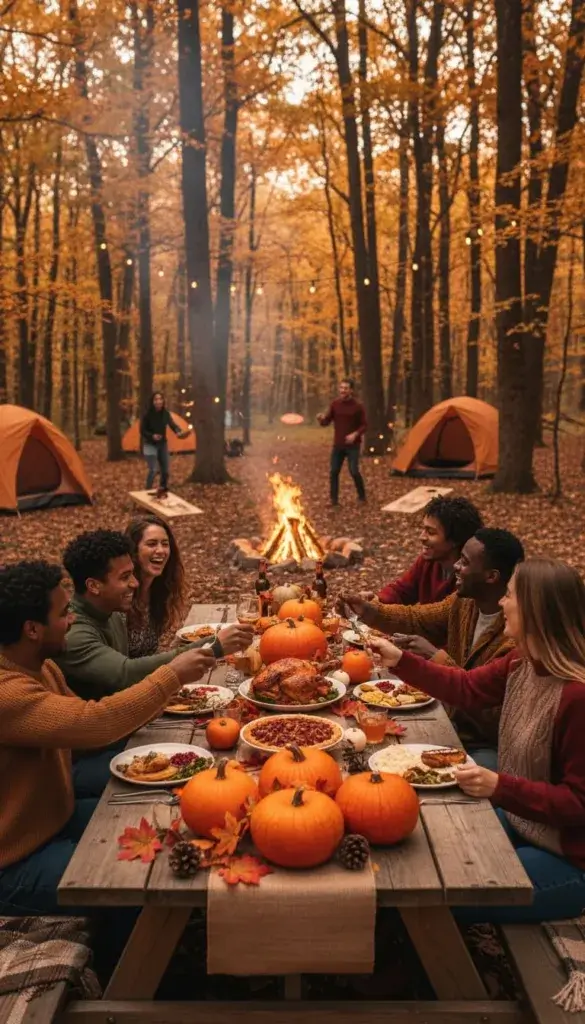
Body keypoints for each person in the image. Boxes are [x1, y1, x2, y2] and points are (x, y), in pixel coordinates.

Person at [370, 557, 585, 923]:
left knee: (442, 894)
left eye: (511, 595)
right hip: (524, 822)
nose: (501, 602)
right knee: (427, 844)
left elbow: (578, 803)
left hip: (569, 858)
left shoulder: (577, 698)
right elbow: (466, 688)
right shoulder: (521, 662)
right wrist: (400, 660)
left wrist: (500, 786)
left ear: (535, 610)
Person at [0, 560, 216, 917]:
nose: (72, 620)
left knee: (162, 823)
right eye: (64, 613)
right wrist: (169, 678)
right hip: (16, 859)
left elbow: (92, 730)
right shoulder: (9, 694)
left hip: (57, 817)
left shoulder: (42, 666)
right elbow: (93, 723)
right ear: (32, 629)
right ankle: (122, 965)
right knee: (129, 877)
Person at [341, 528, 525, 763]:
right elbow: (418, 618)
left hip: (485, 745)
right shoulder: (464, 602)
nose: (456, 567)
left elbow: (489, 713)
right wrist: (369, 611)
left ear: (492, 576)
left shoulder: (514, 640)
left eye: (465, 562)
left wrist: (435, 656)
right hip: (447, 718)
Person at [57, 530, 253, 699]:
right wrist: (214, 647)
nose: (135, 583)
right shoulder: (73, 632)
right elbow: (126, 673)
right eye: (125, 577)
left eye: (132, 574)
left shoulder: (111, 611)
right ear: (93, 586)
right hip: (104, 737)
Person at [368, 495, 483, 605]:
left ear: (455, 540)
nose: (421, 537)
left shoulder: (469, 576)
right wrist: (376, 600)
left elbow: (438, 617)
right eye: (423, 529)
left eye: (431, 532)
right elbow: (402, 590)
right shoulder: (427, 561)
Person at [125, 514, 186, 658]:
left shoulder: (160, 591)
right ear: (134, 550)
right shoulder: (122, 595)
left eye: (165, 544)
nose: (161, 551)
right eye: (152, 544)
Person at [317, 378, 367, 507]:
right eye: (341, 388)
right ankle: (334, 501)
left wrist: (355, 434)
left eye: (345, 388)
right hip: (338, 445)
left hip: (353, 446)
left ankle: (362, 496)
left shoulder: (358, 406)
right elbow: (326, 421)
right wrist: (321, 419)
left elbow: (364, 425)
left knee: (354, 471)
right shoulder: (335, 404)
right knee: (334, 471)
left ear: (351, 390)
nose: (342, 390)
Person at [141, 391, 189, 495]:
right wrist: (152, 436)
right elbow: (142, 430)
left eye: (160, 399)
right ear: (152, 402)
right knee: (154, 470)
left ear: (163, 401)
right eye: (156, 399)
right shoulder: (147, 415)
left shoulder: (165, 414)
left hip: (162, 444)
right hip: (150, 444)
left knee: (165, 471)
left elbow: (173, 424)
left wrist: (178, 431)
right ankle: (147, 491)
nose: (158, 401)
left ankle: (162, 489)